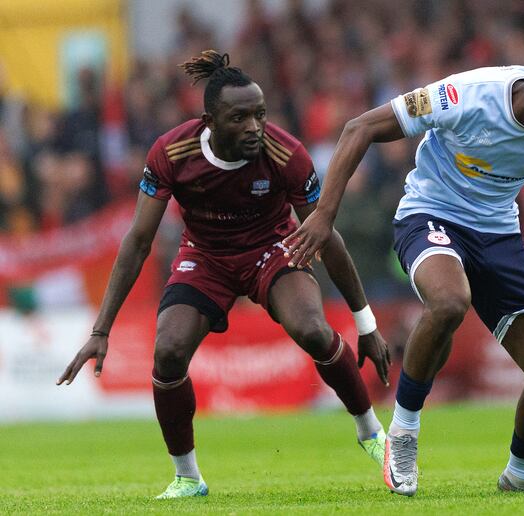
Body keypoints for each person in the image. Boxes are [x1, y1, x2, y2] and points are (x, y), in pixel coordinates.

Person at [283, 46, 524, 496]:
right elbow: (361, 127)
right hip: (430, 214)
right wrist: (324, 214)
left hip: (497, 234)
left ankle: (522, 475)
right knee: (451, 301)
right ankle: (404, 432)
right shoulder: (465, 95)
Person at [56, 50, 391, 499]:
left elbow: (327, 237)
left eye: (260, 114)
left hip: (272, 249)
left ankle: (372, 433)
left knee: (312, 329)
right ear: (209, 120)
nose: (254, 126)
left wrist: (365, 323)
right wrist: (102, 329)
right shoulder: (171, 152)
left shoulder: (286, 153)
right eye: (240, 118)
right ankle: (188, 478)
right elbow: (137, 241)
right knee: (168, 352)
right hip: (205, 257)